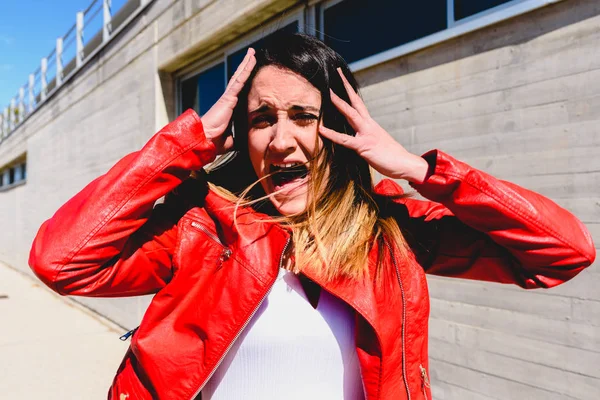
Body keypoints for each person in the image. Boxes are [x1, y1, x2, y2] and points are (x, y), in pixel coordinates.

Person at [29, 33, 595, 400]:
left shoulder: (389, 231)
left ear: (342, 133)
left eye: (304, 116)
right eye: (262, 119)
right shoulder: (201, 225)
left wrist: (418, 171)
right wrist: (182, 146)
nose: (282, 140)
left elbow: (563, 252)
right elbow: (62, 261)